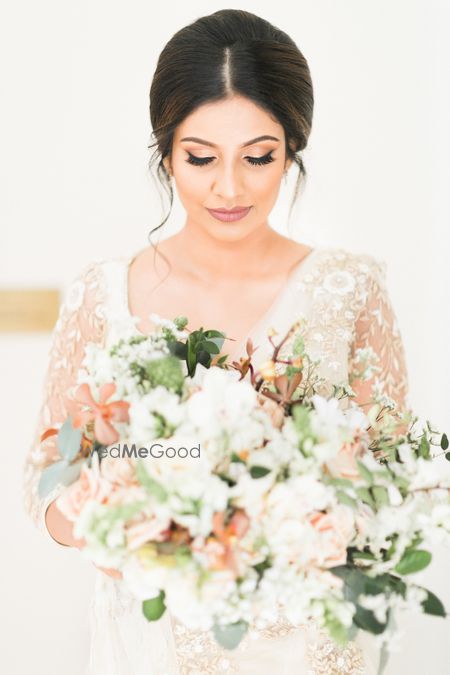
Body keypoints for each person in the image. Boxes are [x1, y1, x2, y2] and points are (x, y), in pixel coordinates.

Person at [22, 9, 410, 674]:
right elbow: (44, 482)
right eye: (200, 158)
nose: (229, 187)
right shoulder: (102, 292)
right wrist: (100, 508)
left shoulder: (350, 287)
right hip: (151, 636)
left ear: (291, 150)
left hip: (305, 640)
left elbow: (391, 481)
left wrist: (325, 512)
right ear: (166, 151)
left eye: (258, 157)